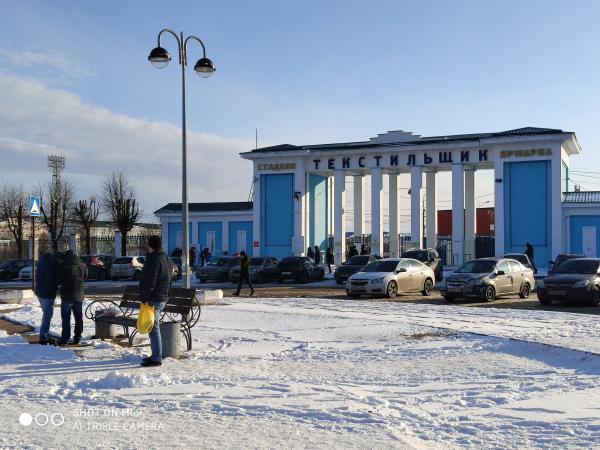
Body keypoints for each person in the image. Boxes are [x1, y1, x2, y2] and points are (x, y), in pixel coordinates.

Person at [139, 235, 172, 367]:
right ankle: (155, 355)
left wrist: (144, 297)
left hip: (154, 298)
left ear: (150, 245)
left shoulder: (153, 259)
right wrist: (167, 294)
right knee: (152, 327)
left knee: (153, 328)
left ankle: (157, 358)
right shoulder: (166, 257)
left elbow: (150, 281)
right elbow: (170, 278)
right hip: (162, 297)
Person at [57, 250, 87, 346]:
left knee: (66, 318)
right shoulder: (83, 265)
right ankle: (78, 337)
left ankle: (65, 338)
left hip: (67, 295)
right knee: (78, 317)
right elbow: (85, 276)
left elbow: (58, 280)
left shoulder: (63, 266)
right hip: (79, 295)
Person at [35, 252, 59, 345]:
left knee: (46, 314)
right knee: (47, 316)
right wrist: (56, 287)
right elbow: (51, 282)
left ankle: (45, 334)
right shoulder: (51, 266)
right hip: (48, 294)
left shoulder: (41, 263)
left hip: (39, 292)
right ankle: (43, 336)